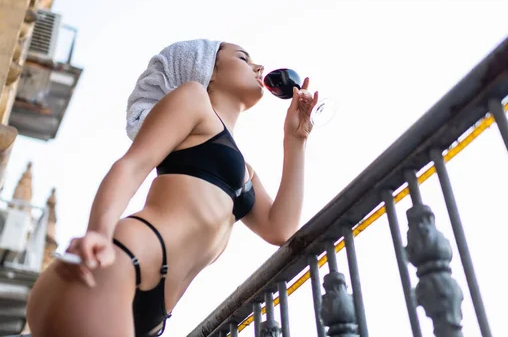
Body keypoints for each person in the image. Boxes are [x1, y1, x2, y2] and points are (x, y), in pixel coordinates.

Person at [26, 39, 319, 337]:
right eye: (243, 58)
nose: (259, 67)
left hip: (152, 314)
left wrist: (296, 139)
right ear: (209, 70)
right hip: (118, 264)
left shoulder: (246, 170)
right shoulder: (193, 99)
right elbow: (133, 165)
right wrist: (99, 232)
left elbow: (279, 229)